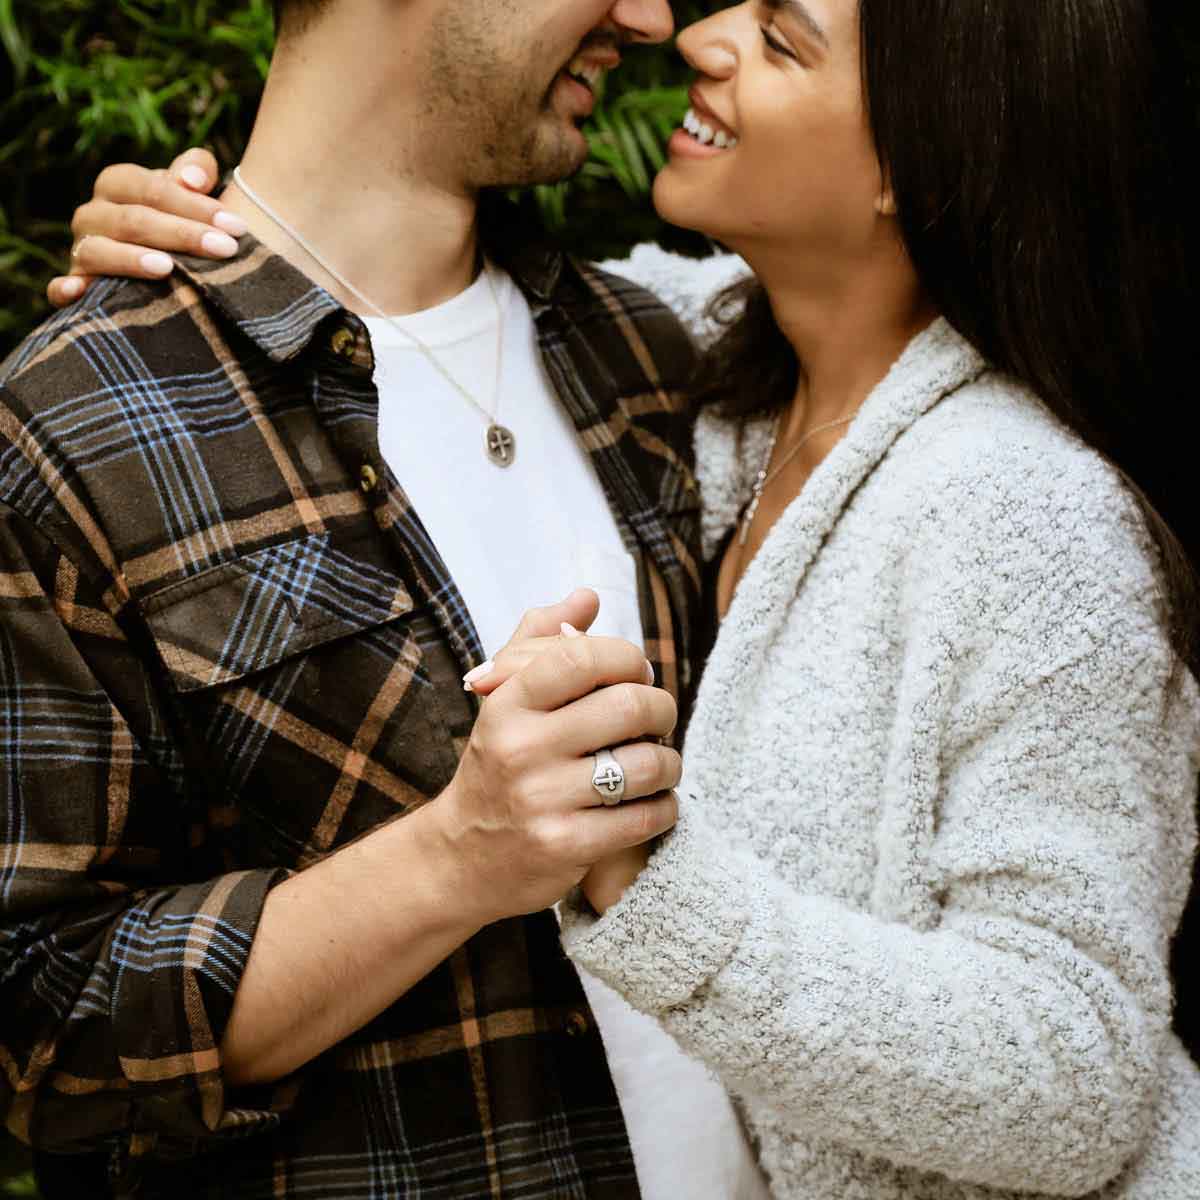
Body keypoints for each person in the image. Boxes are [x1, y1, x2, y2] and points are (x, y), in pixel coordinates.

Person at [40, 0, 1200, 1197]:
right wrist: (204, 241)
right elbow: (46, 1023)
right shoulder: (688, 369)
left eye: (782, 38)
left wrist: (647, 879)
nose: (677, 27)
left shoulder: (995, 493)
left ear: (927, 152)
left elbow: (1080, 1067)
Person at [0, 1, 776, 1198]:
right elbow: (39, 1029)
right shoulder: (69, 425)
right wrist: (459, 858)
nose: (650, 17)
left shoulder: (650, 354)